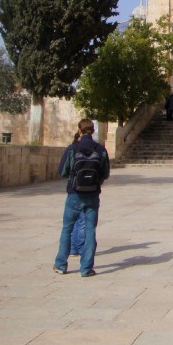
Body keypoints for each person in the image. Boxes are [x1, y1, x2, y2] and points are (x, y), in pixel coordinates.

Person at [53, 119, 110, 278]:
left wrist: (74, 179)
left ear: (79, 130)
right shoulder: (100, 150)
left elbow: (62, 171)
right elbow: (105, 173)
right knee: (90, 230)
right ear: (92, 131)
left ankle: (61, 264)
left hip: (74, 194)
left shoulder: (72, 149)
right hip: (92, 194)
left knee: (67, 228)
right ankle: (86, 268)